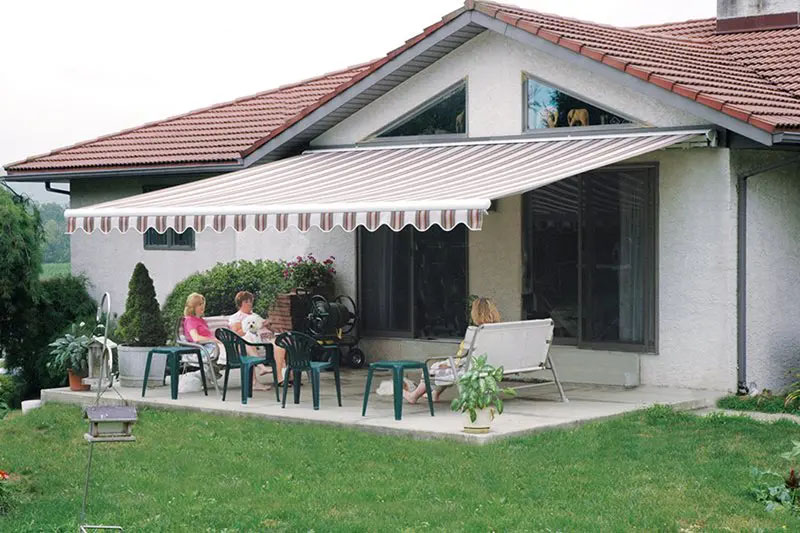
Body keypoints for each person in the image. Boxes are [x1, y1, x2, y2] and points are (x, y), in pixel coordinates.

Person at [404, 297, 502, 404]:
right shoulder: (500, 331)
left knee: (434, 368)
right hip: (492, 366)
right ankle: (435, 393)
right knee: (446, 368)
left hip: (471, 368)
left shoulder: (475, 332)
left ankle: (413, 396)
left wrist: (450, 365)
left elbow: (463, 358)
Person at [228, 290, 287, 390]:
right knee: (252, 341)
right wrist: (253, 327)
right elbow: (236, 334)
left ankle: (280, 378)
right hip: (253, 341)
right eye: (246, 302)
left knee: (279, 344)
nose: (250, 304)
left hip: (266, 338)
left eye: (251, 301)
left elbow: (271, 330)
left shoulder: (255, 316)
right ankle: (265, 370)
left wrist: (268, 325)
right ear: (240, 304)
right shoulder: (236, 317)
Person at [183, 292, 225, 367]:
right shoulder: (190, 320)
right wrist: (214, 340)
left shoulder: (202, 321)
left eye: (203, 304)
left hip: (212, 345)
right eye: (199, 305)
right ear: (193, 307)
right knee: (231, 350)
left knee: (236, 348)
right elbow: (196, 338)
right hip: (203, 348)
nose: (202, 306)